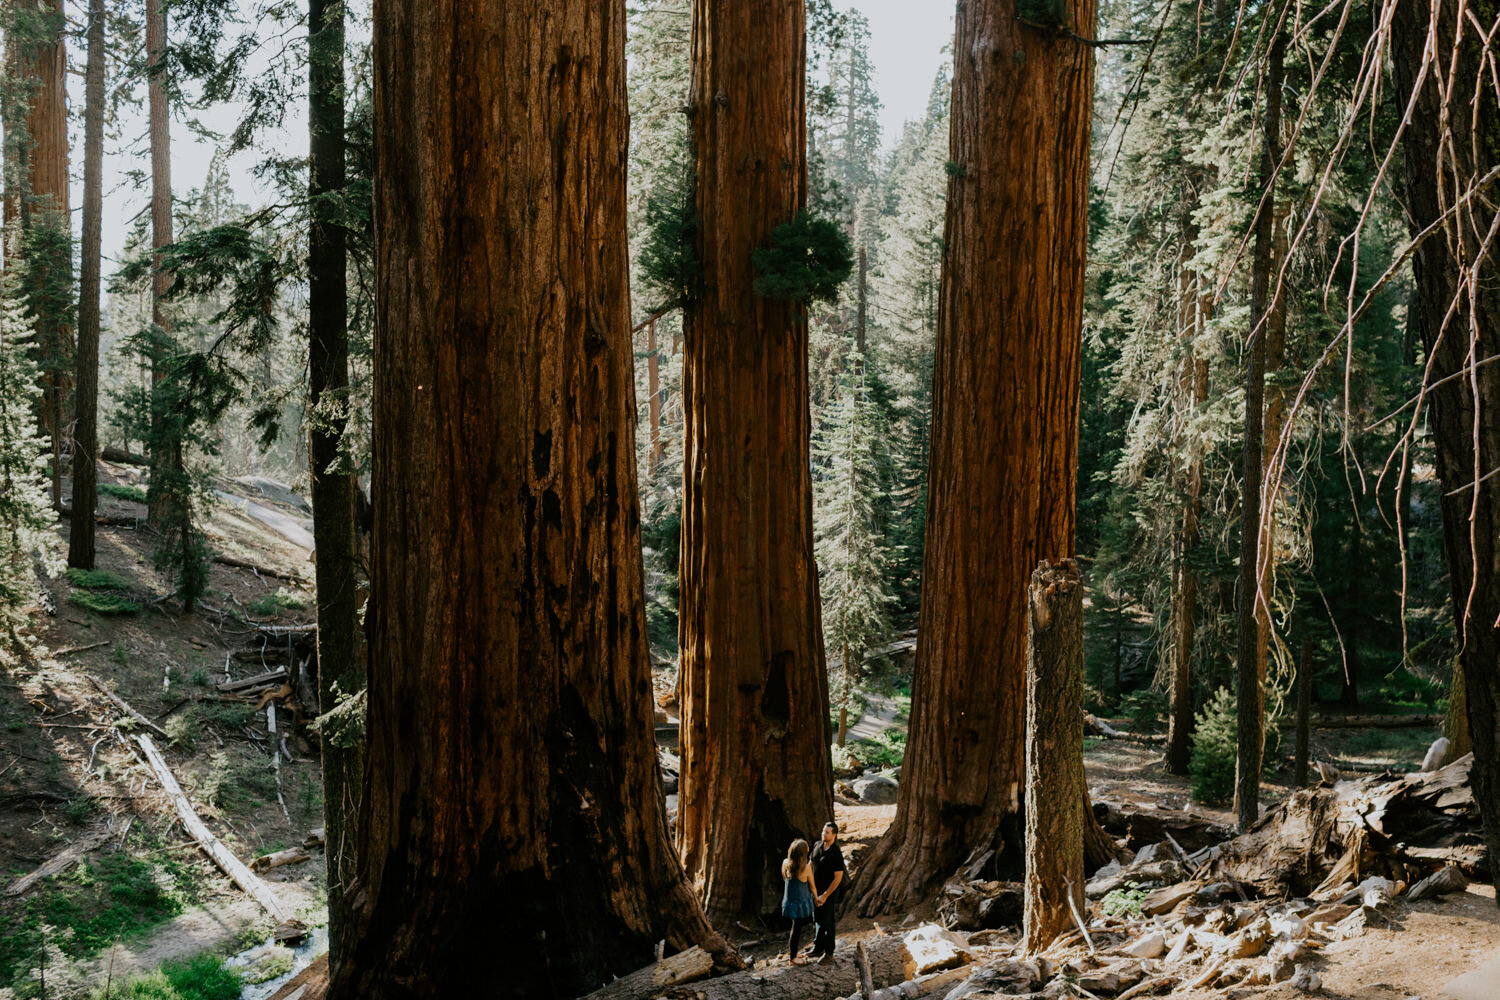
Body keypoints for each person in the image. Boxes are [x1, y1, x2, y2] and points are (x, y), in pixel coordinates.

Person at [808, 821, 847, 963]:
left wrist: (825, 895)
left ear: (834, 835)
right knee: (817, 919)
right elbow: (810, 864)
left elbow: (838, 878)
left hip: (829, 893)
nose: (824, 834)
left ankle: (829, 953)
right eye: (823, 831)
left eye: (827, 832)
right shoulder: (817, 845)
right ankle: (817, 948)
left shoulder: (835, 853)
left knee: (828, 922)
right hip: (815, 890)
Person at [780, 838, 820, 965]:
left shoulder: (785, 863)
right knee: (796, 929)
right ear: (804, 854)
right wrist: (816, 898)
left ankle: (794, 952)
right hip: (801, 903)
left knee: (796, 927)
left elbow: (784, 877)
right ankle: (793, 958)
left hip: (790, 901)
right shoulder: (806, 868)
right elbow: (812, 886)